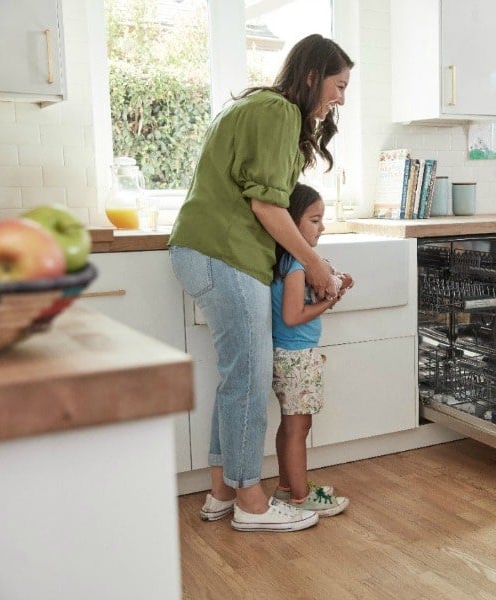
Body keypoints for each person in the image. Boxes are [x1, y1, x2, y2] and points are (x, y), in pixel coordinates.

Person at [167, 34, 354, 532]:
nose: (340, 98)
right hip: (223, 253)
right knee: (248, 377)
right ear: (312, 75)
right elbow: (267, 205)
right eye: (338, 85)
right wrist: (313, 262)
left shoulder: (261, 108)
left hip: (210, 253)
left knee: (237, 377)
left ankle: (220, 491)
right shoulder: (278, 112)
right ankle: (252, 500)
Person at [270, 183, 352, 517]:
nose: (322, 227)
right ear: (292, 222)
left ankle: (287, 487)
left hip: (289, 355)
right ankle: (301, 498)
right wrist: (330, 301)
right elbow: (293, 316)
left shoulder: (287, 260)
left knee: (290, 427)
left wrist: (332, 287)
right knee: (298, 430)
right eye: (315, 220)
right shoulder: (296, 266)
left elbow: (297, 305)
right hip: (296, 356)